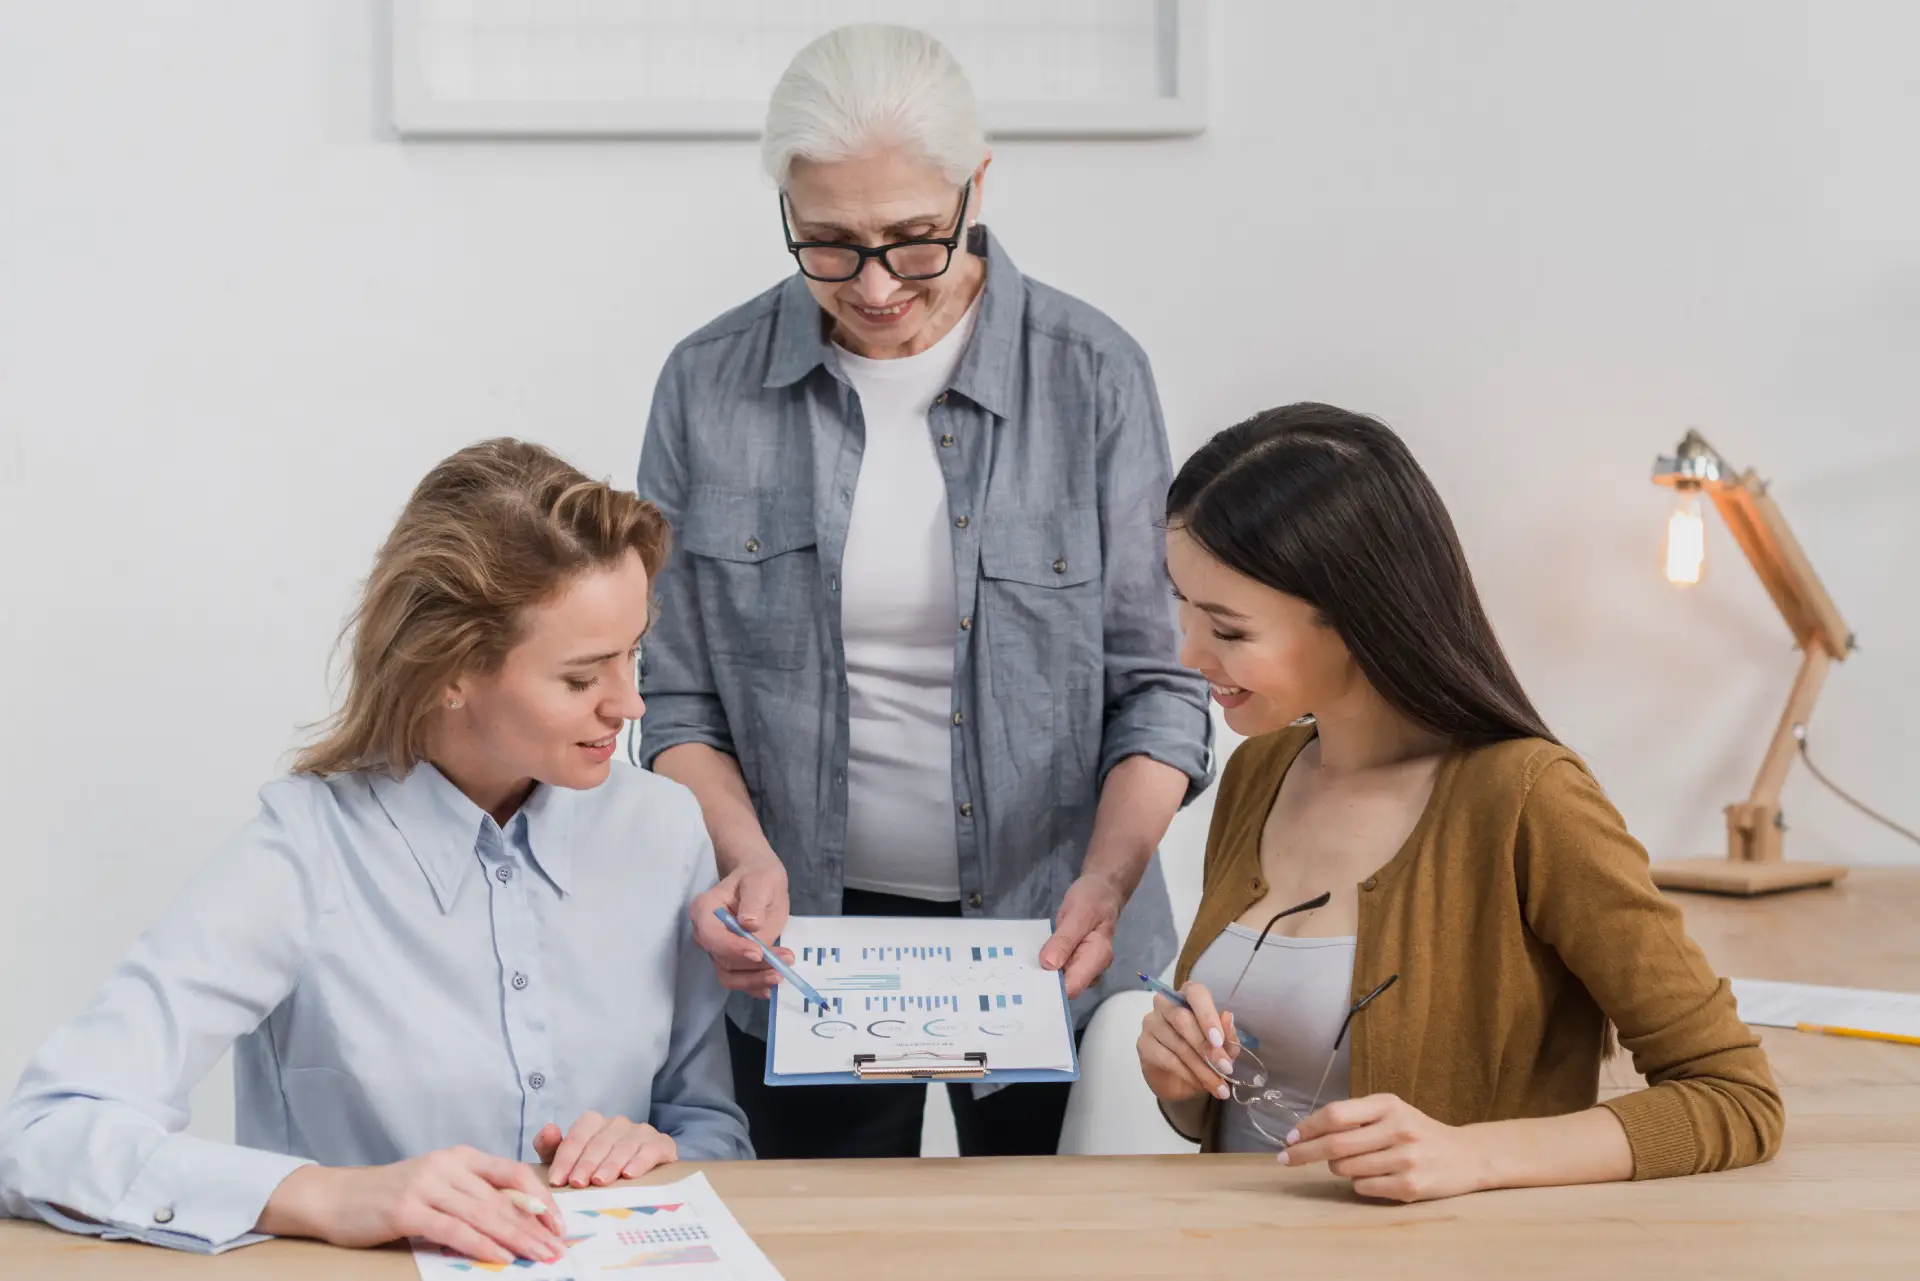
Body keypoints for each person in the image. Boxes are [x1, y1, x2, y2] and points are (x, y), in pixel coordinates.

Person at [636, 23, 1212, 1160]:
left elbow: (1160, 684)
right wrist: (744, 857)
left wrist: (1110, 874)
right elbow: (678, 697)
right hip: (808, 947)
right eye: (831, 246)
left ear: (975, 187)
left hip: (1060, 930)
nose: (877, 284)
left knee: (1074, 1253)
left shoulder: (1093, 377)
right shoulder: (707, 385)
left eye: (912, 240)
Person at [0, 440, 751, 1260]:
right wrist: (332, 1193)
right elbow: (45, 1131)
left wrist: (658, 1152)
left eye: (634, 651)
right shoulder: (305, 851)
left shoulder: (664, 829)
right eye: (581, 678)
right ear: (450, 670)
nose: (631, 702)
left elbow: (708, 1124)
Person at [1137, 403, 1783, 1200]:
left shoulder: (1527, 802)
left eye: (1229, 631)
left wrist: (1473, 1156)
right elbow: (1253, 1113)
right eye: (1183, 607)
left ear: (1357, 623)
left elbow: (1736, 1097)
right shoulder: (1258, 774)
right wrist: (1181, 1082)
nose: (1187, 653)